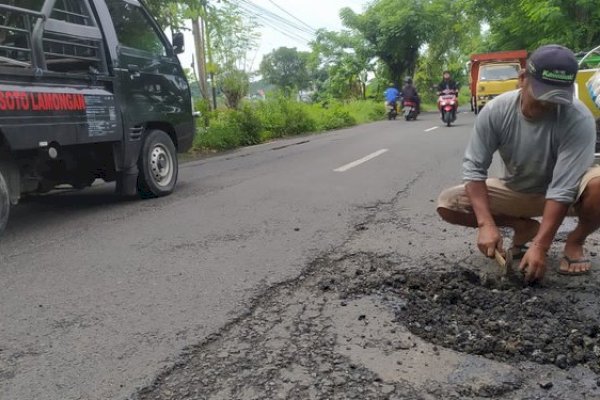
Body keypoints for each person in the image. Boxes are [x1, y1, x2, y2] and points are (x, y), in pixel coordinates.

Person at [436, 44, 600, 283]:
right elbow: (474, 169)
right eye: (543, 94)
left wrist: (541, 247)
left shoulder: (578, 117)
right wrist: (486, 224)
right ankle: (522, 227)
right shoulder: (496, 111)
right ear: (522, 79)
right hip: (518, 189)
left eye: (557, 96)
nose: (548, 104)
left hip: (571, 193)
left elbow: (563, 187)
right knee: (449, 203)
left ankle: (575, 241)